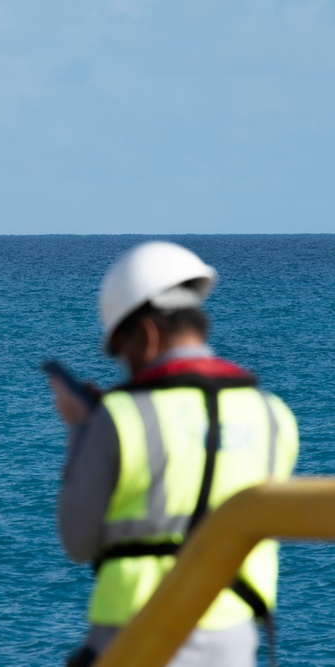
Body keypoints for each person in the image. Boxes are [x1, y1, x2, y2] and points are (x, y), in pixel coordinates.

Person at [49, 241, 299, 667]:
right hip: (235, 643)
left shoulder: (119, 418)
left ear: (144, 335)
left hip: (135, 640)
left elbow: (78, 541)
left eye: (121, 351)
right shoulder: (274, 415)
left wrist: (81, 429)